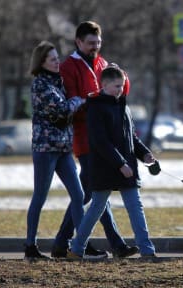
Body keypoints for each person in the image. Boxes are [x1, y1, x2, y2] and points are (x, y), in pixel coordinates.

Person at [51, 21, 137, 258]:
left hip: (105, 141)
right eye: (90, 43)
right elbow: (72, 102)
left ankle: (63, 243)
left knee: (93, 192)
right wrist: (95, 104)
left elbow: (119, 92)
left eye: (98, 43)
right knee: (93, 192)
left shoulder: (102, 63)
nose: (95, 47)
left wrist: (122, 77)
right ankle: (110, 244)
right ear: (78, 42)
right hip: (86, 139)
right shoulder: (69, 67)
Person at [67, 66, 156, 259]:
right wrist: (120, 164)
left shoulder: (124, 106)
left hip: (126, 168)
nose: (120, 90)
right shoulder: (95, 107)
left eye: (122, 86)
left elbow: (131, 138)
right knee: (96, 208)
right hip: (104, 168)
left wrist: (145, 154)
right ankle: (76, 248)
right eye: (117, 86)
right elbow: (100, 141)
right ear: (104, 84)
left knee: (135, 206)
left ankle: (147, 250)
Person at [24, 40, 85, 260]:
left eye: (58, 57)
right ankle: (30, 246)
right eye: (52, 58)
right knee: (40, 197)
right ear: (42, 62)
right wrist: (78, 100)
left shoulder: (58, 82)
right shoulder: (40, 84)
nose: (57, 61)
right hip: (45, 149)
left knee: (78, 195)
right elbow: (61, 109)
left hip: (63, 148)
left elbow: (66, 109)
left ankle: (79, 246)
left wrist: (74, 101)